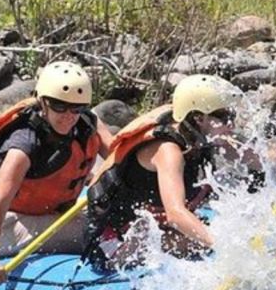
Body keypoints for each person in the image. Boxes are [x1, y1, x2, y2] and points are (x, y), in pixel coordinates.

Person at [84, 74, 252, 270]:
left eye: (232, 116)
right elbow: (176, 215)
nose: (231, 125)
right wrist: (226, 248)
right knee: (188, 240)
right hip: (115, 243)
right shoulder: (167, 151)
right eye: (224, 117)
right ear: (198, 118)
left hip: (159, 230)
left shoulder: (202, 139)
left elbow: (259, 158)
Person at [0, 61, 114, 288]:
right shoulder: (23, 145)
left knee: (117, 223)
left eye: (77, 108)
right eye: (59, 106)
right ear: (43, 102)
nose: (69, 115)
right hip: (10, 226)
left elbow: (118, 157)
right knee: (97, 233)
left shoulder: (88, 123)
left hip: (53, 216)